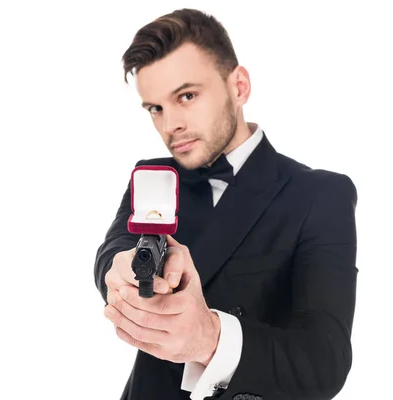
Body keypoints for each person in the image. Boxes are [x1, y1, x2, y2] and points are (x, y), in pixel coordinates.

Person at [93, 8, 358, 400]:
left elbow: (324, 360)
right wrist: (120, 271)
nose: (170, 125)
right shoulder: (154, 177)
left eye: (186, 96)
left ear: (239, 87)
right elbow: (115, 249)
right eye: (156, 108)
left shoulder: (320, 195)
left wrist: (209, 337)